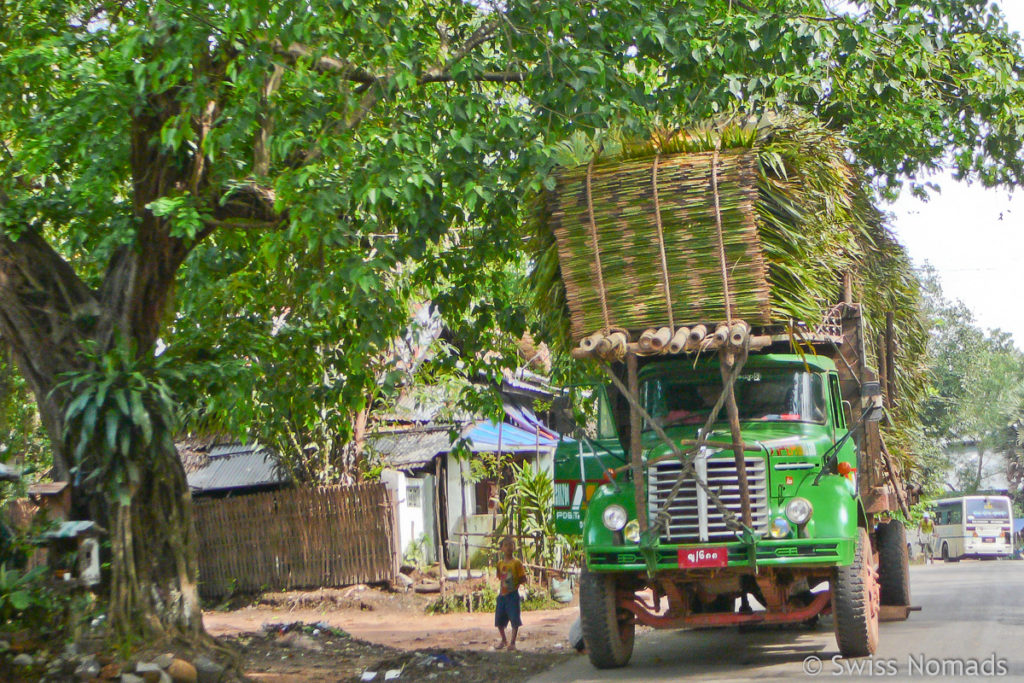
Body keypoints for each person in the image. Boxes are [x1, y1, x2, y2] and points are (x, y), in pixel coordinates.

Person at [494, 536, 526, 651]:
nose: (508, 547)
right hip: (502, 595)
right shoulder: (500, 564)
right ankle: (504, 640)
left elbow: (523, 578)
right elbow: (499, 577)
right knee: (498, 621)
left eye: (511, 544)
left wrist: (517, 584)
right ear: (501, 548)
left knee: (514, 620)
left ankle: (512, 642)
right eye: (506, 545)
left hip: (513, 595)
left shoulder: (517, 563)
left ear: (514, 547)